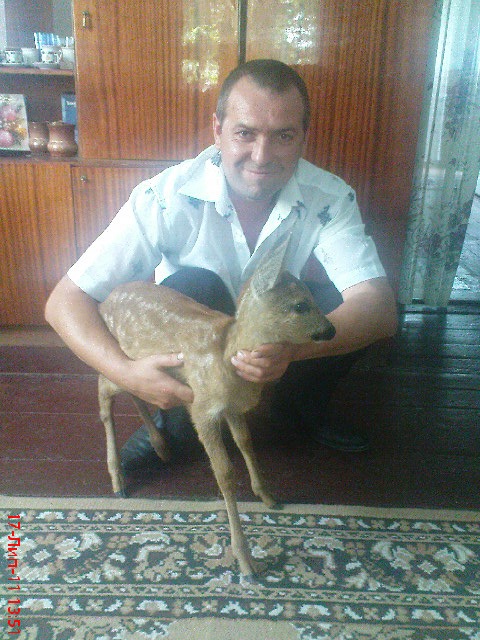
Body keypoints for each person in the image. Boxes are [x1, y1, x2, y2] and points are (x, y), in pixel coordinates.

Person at [45, 59, 398, 471]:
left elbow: (379, 308)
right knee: (193, 283)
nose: (261, 156)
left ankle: (300, 406)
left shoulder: (331, 196)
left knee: (329, 305)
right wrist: (126, 373)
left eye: (283, 136)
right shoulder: (164, 196)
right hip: (197, 348)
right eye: (245, 133)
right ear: (217, 130)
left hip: (276, 344)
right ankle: (174, 422)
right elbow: (65, 301)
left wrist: (292, 351)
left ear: (304, 136)